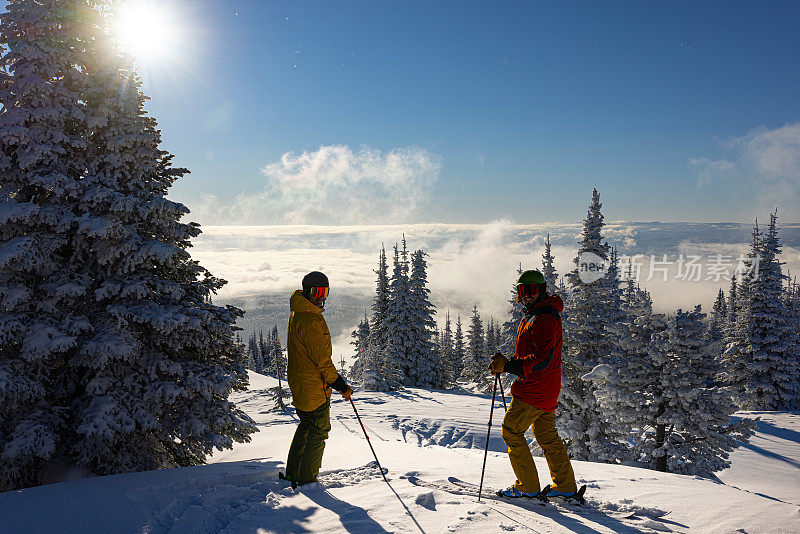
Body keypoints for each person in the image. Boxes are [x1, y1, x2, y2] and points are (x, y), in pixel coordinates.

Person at [489, 269, 578, 499]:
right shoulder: (537, 314)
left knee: (511, 431)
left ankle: (527, 486)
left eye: (531, 290)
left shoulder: (543, 317)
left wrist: (508, 367)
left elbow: (542, 359)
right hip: (546, 389)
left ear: (541, 290)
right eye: (522, 291)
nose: (526, 295)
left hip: (534, 390)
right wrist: (508, 363)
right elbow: (536, 354)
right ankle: (565, 487)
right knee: (547, 436)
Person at [285, 271, 353, 486]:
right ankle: (307, 480)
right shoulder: (310, 319)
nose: (321, 297)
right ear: (307, 292)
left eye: (325, 292)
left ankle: (293, 473)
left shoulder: (300, 312)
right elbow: (322, 360)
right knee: (319, 429)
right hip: (313, 386)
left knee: (306, 425)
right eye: (317, 292)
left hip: (302, 383)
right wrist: (340, 384)